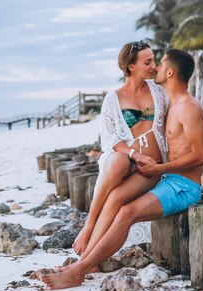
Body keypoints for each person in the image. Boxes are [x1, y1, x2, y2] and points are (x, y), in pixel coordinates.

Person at [42, 49, 203, 290]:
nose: (156, 68)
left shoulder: (187, 107)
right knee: (118, 202)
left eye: (160, 64)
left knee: (125, 214)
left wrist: (161, 166)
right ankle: (84, 263)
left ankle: (77, 271)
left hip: (184, 187)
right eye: (151, 62)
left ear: (170, 72)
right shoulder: (172, 103)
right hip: (168, 180)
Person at [69, 40, 168, 271]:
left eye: (153, 60)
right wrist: (135, 154)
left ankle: (86, 261)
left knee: (114, 199)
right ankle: (89, 226)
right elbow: (111, 140)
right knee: (117, 160)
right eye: (148, 61)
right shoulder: (113, 99)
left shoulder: (159, 91)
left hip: (150, 168)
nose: (153, 65)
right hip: (126, 162)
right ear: (131, 67)